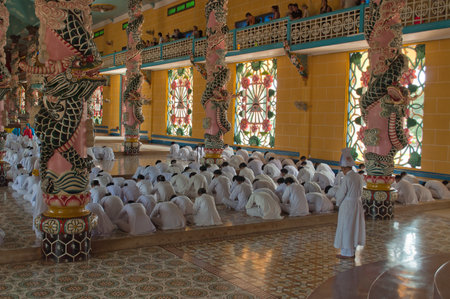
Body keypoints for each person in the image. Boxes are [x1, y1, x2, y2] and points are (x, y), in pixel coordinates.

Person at [334, 148, 365, 259]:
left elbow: (342, 193)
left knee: (346, 227)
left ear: (344, 168)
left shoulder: (347, 178)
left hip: (348, 204)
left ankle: (347, 253)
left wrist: (337, 202)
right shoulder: (358, 176)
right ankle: (352, 250)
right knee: (354, 226)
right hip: (357, 203)